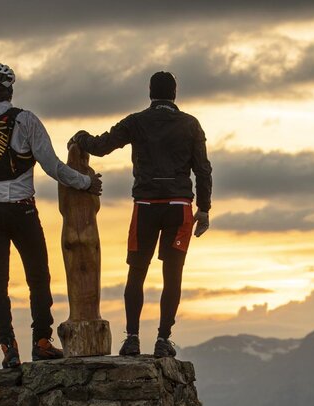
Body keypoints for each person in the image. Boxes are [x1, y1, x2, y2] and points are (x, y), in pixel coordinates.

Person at [0, 63, 102, 368]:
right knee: (38, 277)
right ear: (10, 89)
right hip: (22, 209)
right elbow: (53, 166)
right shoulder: (26, 120)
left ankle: (8, 346)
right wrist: (86, 182)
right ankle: (41, 342)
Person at [71, 71, 212, 358]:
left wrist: (80, 137)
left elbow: (101, 146)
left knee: (136, 272)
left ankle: (132, 338)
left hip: (145, 206)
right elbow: (203, 170)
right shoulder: (191, 124)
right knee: (173, 274)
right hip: (179, 208)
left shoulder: (136, 122)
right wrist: (204, 208)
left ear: (150, 92)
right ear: (175, 93)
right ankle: (163, 339)